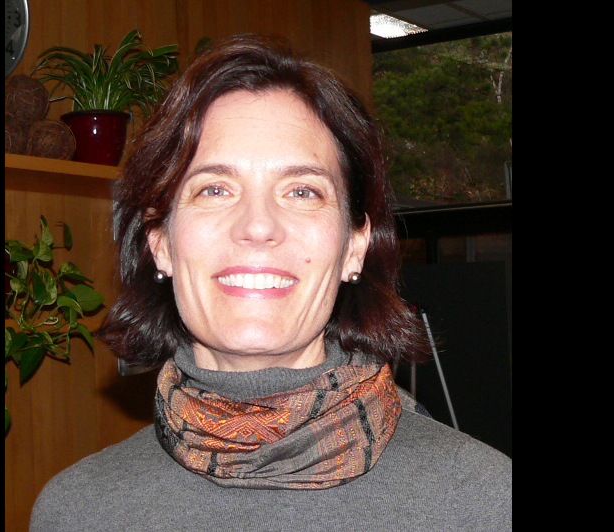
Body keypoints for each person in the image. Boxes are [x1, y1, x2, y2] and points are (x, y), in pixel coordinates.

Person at [30, 34, 512, 531]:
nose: (257, 226)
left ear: (354, 245)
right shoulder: (78, 510)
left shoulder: (484, 502)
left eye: (302, 191)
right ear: (161, 242)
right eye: (215, 189)